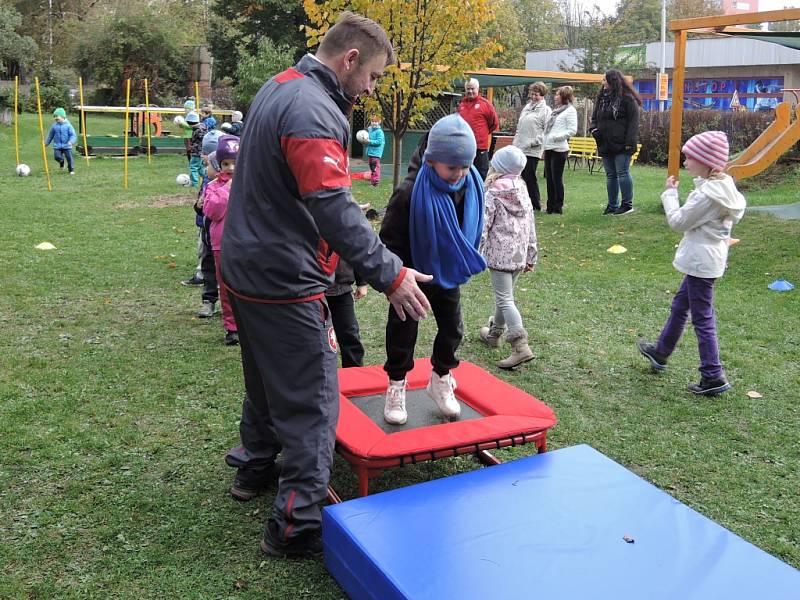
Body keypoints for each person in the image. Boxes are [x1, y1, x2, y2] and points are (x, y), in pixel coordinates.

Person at [220, 11, 432, 558]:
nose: (373, 88)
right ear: (350, 59)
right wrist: (390, 272)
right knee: (314, 396)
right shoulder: (312, 109)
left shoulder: (278, 86)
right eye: (375, 78)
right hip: (281, 275)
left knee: (268, 377)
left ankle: (254, 463)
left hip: (245, 264)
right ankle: (297, 525)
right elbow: (332, 205)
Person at [379, 114, 486, 425]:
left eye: (465, 167)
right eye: (451, 167)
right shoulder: (410, 192)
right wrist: (397, 277)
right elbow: (389, 238)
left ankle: (440, 378)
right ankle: (396, 384)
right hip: (411, 276)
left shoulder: (469, 185)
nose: (459, 174)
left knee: (453, 328)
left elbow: (469, 226)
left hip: (446, 273)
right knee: (403, 332)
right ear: (432, 160)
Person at [638, 131, 745, 396]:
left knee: (702, 317)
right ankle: (661, 351)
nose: (685, 162)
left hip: (701, 261)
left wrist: (670, 195)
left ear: (707, 162)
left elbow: (678, 221)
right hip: (707, 259)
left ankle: (713, 374)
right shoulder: (721, 187)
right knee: (680, 305)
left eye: (690, 157)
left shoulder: (707, 195)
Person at [478, 146, 537, 369]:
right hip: (519, 254)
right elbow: (531, 223)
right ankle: (494, 335)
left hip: (500, 256)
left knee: (505, 299)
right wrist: (532, 253)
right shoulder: (522, 188)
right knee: (506, 296)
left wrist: (476, 252)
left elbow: (483, 226)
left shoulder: (492, 192)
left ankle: (520, 346)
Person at [202, 135, 240, 346]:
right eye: (226, 164)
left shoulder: (251, 183)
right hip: (222, 245)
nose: (231, 168)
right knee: (226, 287)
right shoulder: (214, 186)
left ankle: (249, 325)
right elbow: (212, 211)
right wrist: (227, 189)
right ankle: (231, 327)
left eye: (235, 163)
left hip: (247, 243)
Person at [590, 69, 642, 215]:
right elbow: (594, 117)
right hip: (605, 143)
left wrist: (629, 143)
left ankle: (627, 204)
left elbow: (633, 123)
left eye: (604, 80)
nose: (602, 82)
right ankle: (612, 205)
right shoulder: (602, 98)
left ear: (612, 81)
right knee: (610, 175)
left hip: (622, 144)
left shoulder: (627, 98)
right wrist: (594, 130)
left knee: (622, 172)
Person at [513, 82, 551, 211]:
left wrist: (532, 142)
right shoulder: (527, 107)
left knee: (530, 176)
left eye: (537, 94)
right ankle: (523, 202)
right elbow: (520, 126)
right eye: (532, 94)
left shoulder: (546, 110)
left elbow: (546, 131)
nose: (534, 97)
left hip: (532, 149)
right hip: (520, 147)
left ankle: (535, 204)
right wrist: (515, 143)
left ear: (542, 95)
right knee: (520, 176)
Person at [325, 259, 368, 367]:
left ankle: (354, 375)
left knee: (349, 334)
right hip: (311, 291)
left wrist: (361, 281)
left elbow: (355, 248)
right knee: (316, 339)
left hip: (341, 288)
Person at [542, 86, 577, 215]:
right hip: (549, 147)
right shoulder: (555, 111)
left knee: (556, 179)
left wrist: (556, 137)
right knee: (549, 178)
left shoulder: (570, 111)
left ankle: (558, 206)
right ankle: (550, 206)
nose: (555, 97)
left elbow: (572, 130)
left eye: (557, 94)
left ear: (564, 97)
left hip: (559, 149)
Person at [457, 78, 499, 179]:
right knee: (464, 175)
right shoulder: (461, 105)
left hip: (479, 147)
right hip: (464, 147)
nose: (470, 91)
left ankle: (481, 194)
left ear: (478, 89)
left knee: (481, 175)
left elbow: (494, 123)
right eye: (468, 89)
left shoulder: (485, 104)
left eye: (472, 89)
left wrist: (482, 134)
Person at [45, 108, 77, 175]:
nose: (55, 118)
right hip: (57, 145)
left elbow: (73, 135)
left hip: (67, 145)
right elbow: (50, 136)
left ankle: (71, 170)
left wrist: (71, 141)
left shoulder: (68, 125)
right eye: (54, 116)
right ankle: (61, 162)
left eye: (57, 116)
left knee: (69, 158)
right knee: (57, 157)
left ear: (63, 116)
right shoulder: (54, 126)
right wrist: (46, 143)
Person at [187, 111, 208, 188]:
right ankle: (208, 179)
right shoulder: (203, 127)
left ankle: (194, 183)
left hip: (197, 152)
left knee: (193, 167)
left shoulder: (198, 130)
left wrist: (193, 147)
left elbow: (201, 140)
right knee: (200, 168)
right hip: (201, 152)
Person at [365, 115, 385, 186]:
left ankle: (375, 182)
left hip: (376, 152)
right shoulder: (370, 130)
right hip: (370, 152)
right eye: (372, 121)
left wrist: (369, 141)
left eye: (375, 121)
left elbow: (379, 142)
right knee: (372, 166)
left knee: (375, 166)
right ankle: (372, 180)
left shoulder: (379, 132)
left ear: (379, 122)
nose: (374, 123)